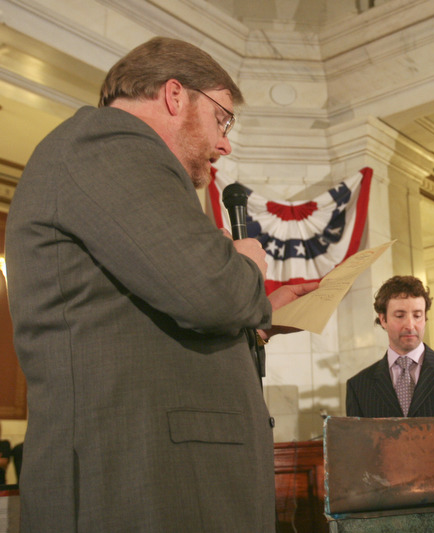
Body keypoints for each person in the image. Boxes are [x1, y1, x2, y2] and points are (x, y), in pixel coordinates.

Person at [5, 37, 317, 532]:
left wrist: (258, 321)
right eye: (222, 118)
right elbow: (210, 292)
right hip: (137, 484)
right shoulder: (109, 143)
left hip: (162, 478)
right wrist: (247, 266)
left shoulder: (115, 156)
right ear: (175, 95)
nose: (225, 143)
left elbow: (141, 323)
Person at [346, 276, 434, 418]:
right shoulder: (359, 386)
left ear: (425, 318)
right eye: (400, 315)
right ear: (383, 319)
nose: (410, 325)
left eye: (417, 315)